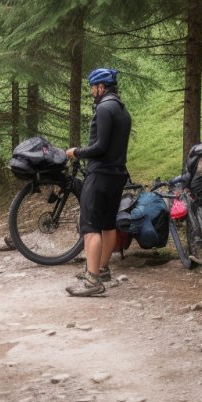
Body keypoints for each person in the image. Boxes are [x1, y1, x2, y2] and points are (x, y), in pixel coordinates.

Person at [64, 68, 132, 297]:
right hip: (117, 174)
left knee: (90, 226)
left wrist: (77, 152)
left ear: (101, 87)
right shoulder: (122, 110)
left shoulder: (104, 108)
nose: (92, 92)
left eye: (93, 88)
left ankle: (92, 280)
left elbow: (100, 147)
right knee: (108, 224)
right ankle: (102, 269)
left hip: (100, 174)